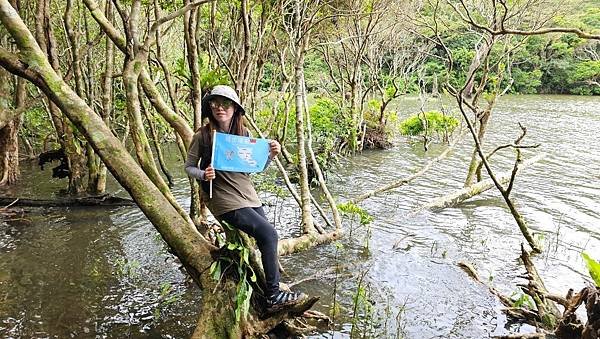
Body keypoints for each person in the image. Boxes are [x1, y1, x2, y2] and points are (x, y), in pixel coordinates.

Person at [185, 85, 305, 311]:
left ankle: (263, 282)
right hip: (222, 197)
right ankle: (273, 294)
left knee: (265, 238)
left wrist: (270, 155)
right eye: (215, 103)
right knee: (270, 234)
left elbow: (253, 168)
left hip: (247, 193)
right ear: (209, 107)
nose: (220, 108)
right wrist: (204, 174)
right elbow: (189, 167)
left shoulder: (245, 135)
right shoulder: (202, 136)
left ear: (235, 108)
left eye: (226, 104)